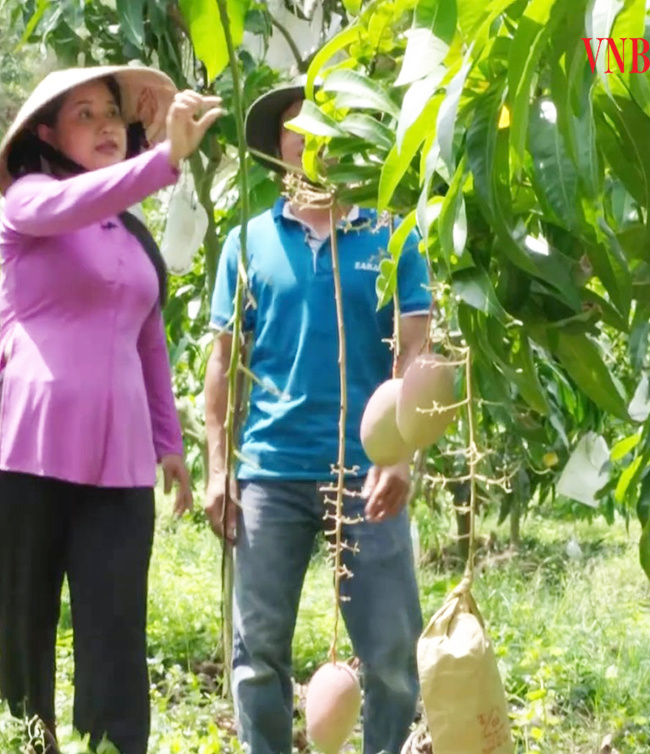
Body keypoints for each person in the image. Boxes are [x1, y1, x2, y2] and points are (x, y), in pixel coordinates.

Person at [0, 64, 223, 754]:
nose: (107, 125)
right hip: (29, 445)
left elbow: (149, 342)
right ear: (46, 133)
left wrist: (172, 443)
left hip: (121, 459)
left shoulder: (132, 239)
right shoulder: (30, 201)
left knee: (116, 630)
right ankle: (26, 743)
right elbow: (65, 207)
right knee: (26, 623)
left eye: (114, 113)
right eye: (86, 115)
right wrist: (165, 160)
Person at [203, 79, 433, 754]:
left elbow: (415, 352)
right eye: (300, 131)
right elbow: (222, 364)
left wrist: (400, 455)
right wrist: (218, 469)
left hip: (368, 478)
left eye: (330, 130)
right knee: (256, 656)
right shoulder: (246, 245)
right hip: (270, 473)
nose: (314, 144)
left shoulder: (394, 237)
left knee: (392, 655)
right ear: (280, 147)